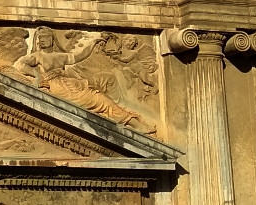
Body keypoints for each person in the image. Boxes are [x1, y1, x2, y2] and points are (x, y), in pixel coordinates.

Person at [15, 27, 155, 134]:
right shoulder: (37, 56)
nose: (42, 39)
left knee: (99, 97)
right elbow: (19, 65)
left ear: (52, 39)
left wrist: (94, 42)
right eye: (39, 37)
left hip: (70, 85)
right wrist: (38, 76)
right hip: (57, 87)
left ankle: (136, 125)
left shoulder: (60, 56)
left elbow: (79, 56)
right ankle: (134, 124)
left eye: (45, 36)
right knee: (96, 99)